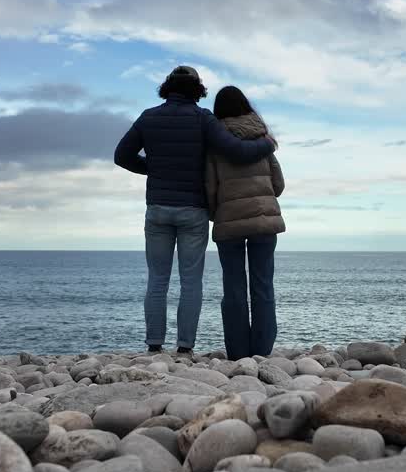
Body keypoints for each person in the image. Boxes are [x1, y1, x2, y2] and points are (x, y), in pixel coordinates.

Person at [114, 66, 277, 355]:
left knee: (157, 279)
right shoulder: (203, 119)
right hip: (192, 209)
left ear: (168, 87)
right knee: (191, 281)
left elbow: (122, 156)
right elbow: (237, 151)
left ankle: (154, 345)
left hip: (158, 209)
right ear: (197, 90)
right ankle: (185, 348)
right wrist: (266, 144)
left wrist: (154, 168)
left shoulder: (148, 117)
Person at [206, 86, 285, 360]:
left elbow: (210, 187)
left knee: (234, 288)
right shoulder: (262, 138)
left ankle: (238, 354)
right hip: (265, 222)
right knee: (263, 286)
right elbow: (278, 183)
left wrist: (219, 213)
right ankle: (261, 353)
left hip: (229, 224)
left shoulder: (215, 141)